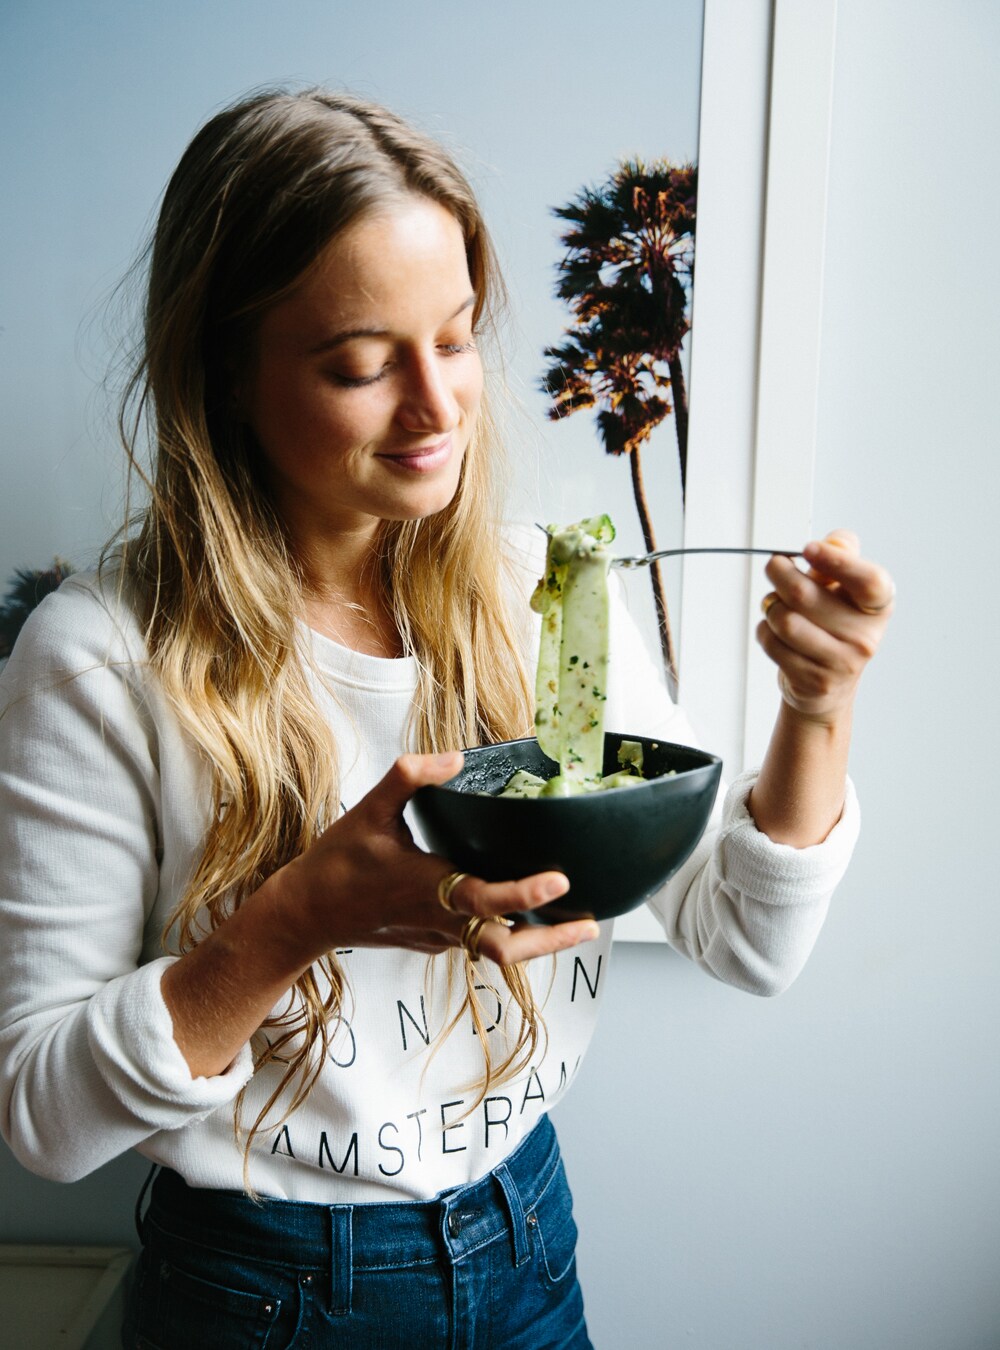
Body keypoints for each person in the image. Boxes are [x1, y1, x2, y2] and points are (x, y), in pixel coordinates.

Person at [0, 88, 894, 1349]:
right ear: (227, 375)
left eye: (459, 337)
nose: (437, 408)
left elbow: (745, 941)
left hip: (527, 1241)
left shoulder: (544, 597)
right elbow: (44, 1121)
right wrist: (296, 920)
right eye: (361, 364)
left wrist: (818, 706)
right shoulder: (99, 658)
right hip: (259, 1291)